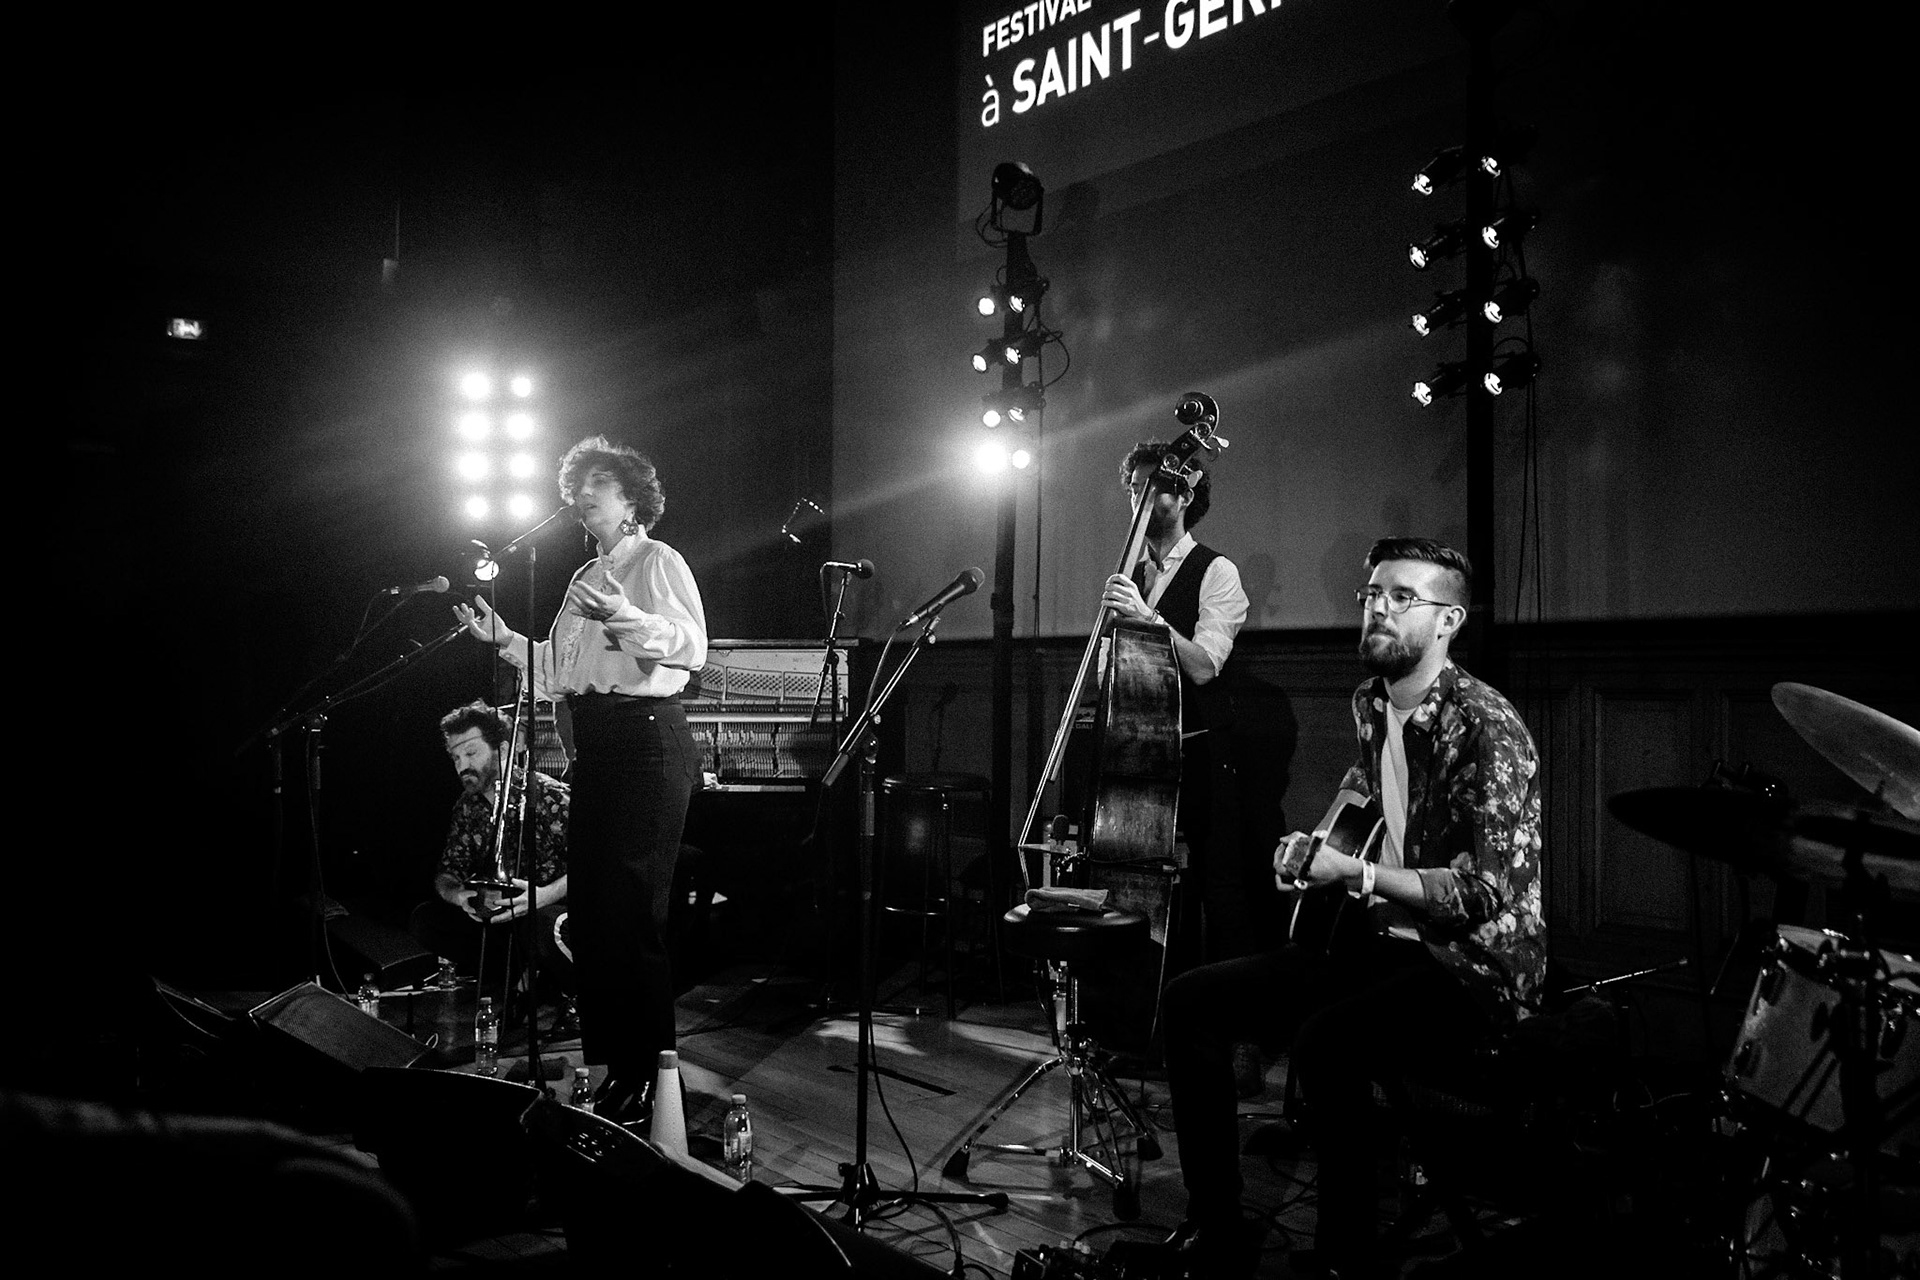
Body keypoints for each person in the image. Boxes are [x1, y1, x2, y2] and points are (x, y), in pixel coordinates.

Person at [1160, 536, 1546, 1279]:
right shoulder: (1372, 702)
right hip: (1381, 943)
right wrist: (1314, 846)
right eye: (1373, 595)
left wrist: (1358, 872)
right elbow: (1365, 786)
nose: (1378, 609)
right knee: (1190, 1003)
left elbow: (1481, 893)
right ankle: (1219, 1228)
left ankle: (1346, 1260)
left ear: (1449, 622)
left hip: (1471, 971)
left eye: (1403, 598)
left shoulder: (1487, 728)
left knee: (1326, 1043)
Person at [454, 436, 707, 1121]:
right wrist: (505, 641)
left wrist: (622, 616)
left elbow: (690, 646)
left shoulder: (657, 560)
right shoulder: (582, 575)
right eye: (578, 483)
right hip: (597, 746)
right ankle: (613, 1071)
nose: (584, 491)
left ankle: (654, 1080)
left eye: (600, 481)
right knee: (594, 920)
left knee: (633, 919)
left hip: (647, 743)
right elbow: (561, 671)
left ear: (631, 498)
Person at [1099, 442, 1254, 964]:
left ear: (1184, 493)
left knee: (1210, 888)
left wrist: (1147, 616)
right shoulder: (1132, 571)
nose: (1139, 502)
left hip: (1197, 756)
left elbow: (1205, 665)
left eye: (1152, 489)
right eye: (1133, 491)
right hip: (1138, 754)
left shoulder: (1217, 571)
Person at [409, 701, 570, 998]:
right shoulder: (466, 806)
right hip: (505, 914)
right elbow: (447, 872)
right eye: (456, 757)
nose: (462, 766)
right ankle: (519, 978)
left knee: (543, 927)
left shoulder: (551, 796)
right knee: (427, 920)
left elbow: (595, 864)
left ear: (504, 751)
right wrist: (459, 896)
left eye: (471, 753)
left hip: (551, 907)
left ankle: (551, 981)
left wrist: (544, 895)